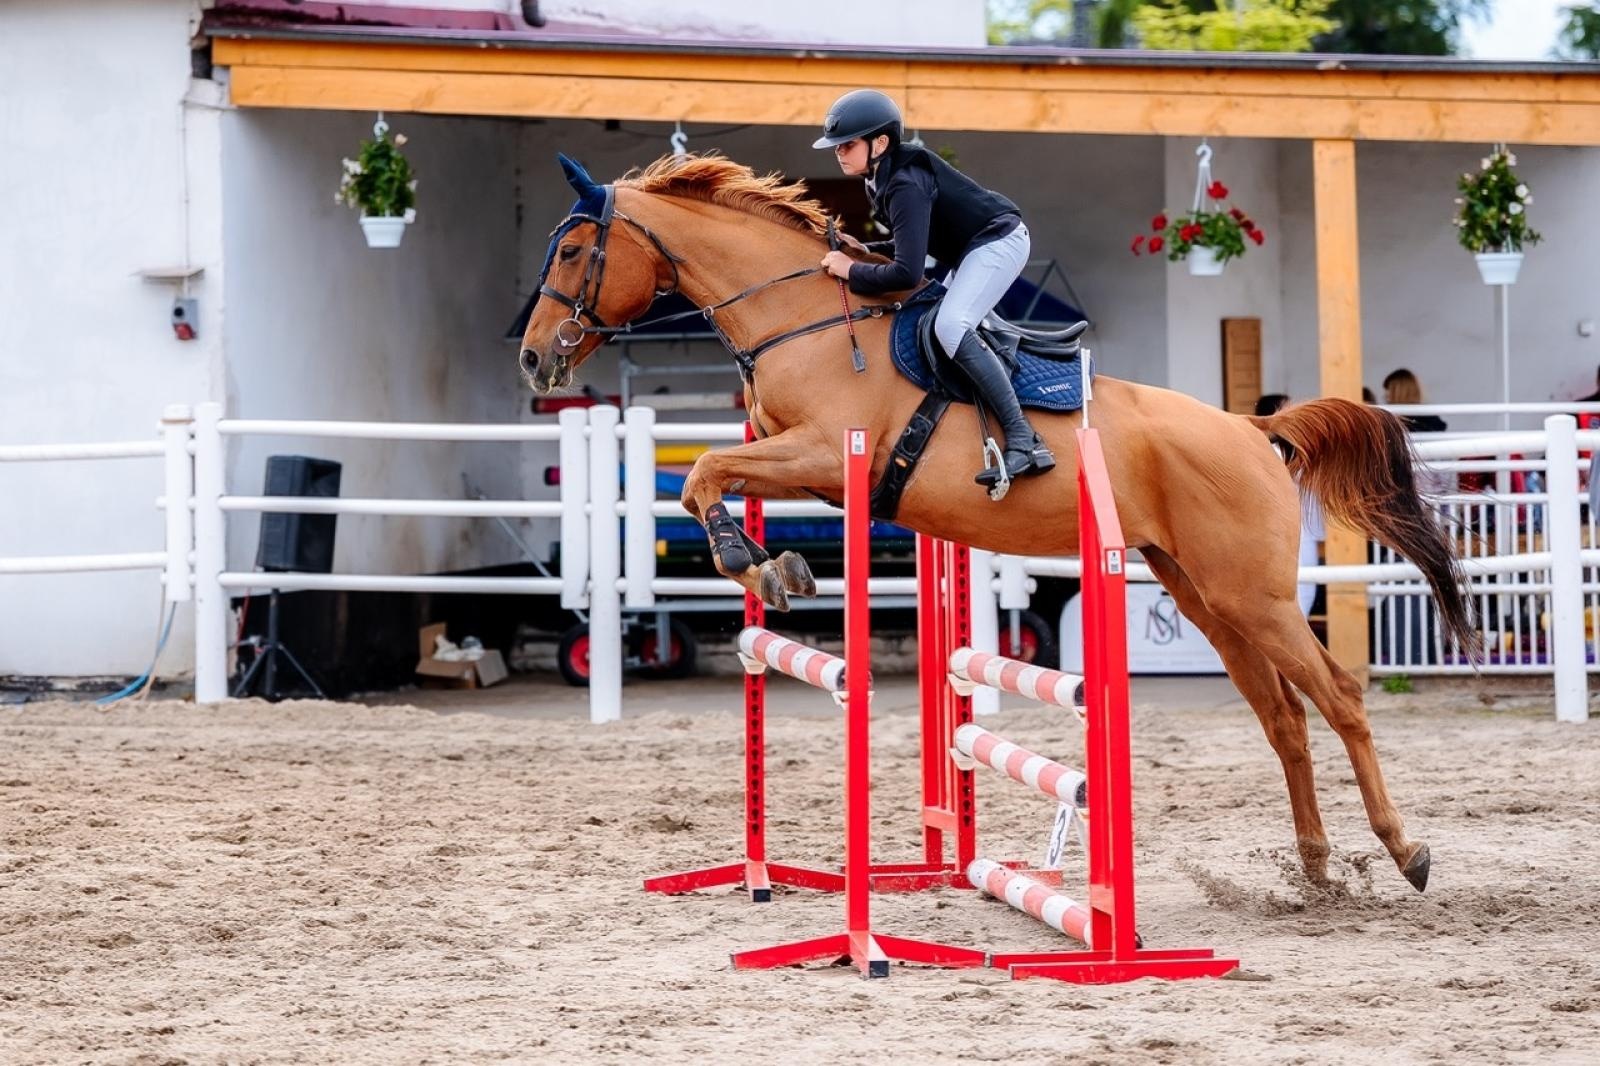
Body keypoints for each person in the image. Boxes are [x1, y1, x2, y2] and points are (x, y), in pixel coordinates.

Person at [812, 89, 1054, 490]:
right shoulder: (879, 177)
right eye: (838, 145)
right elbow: (911, 245)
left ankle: (1024, 438)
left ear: (881, 143)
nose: (839, 152)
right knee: (935, 321)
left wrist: (851, 270)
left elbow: (907, 273)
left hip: (999, 241)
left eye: (848, 144)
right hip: (972, 249)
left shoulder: (905, 182)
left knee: (951, 326)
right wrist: (866, 250)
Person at [1382, 368, 1447, 433]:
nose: (1385, 395)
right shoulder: (1429, 416)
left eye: (1390, 389)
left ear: (1400, 392)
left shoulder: (1393, 421)